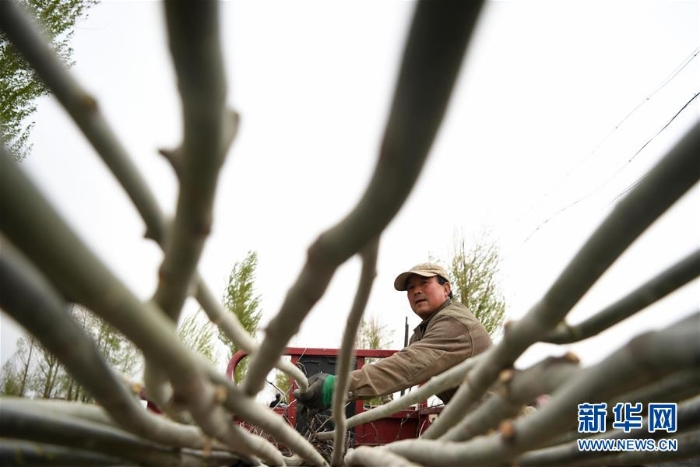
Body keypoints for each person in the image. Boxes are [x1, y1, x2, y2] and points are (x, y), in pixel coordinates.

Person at [294, 262, 493, 412]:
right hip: (471, 418)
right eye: (410, 288)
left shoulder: (453, 323)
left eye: (424, 283)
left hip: (498, 423)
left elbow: (407, 366)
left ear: (446, 288)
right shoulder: (423, 332)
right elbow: (397, 371)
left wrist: (337, 387)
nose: (416, 291)